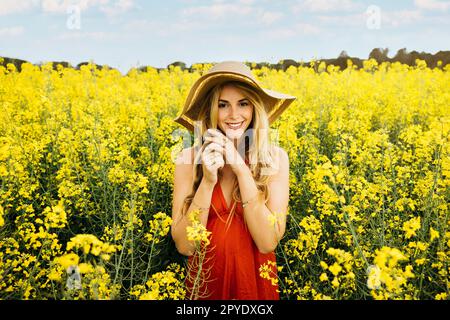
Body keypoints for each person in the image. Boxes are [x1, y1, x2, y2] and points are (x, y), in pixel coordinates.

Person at [171, 61, 296, 300]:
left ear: (254, 109)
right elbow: (185, 246)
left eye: (243, 104)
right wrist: (207, 182)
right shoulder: (187, 159)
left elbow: (267, 242)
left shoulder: (275, 158)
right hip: (205, 284)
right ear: (211, 110)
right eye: (223, 105)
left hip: (255, 286)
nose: (234, 115)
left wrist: (240, 169)